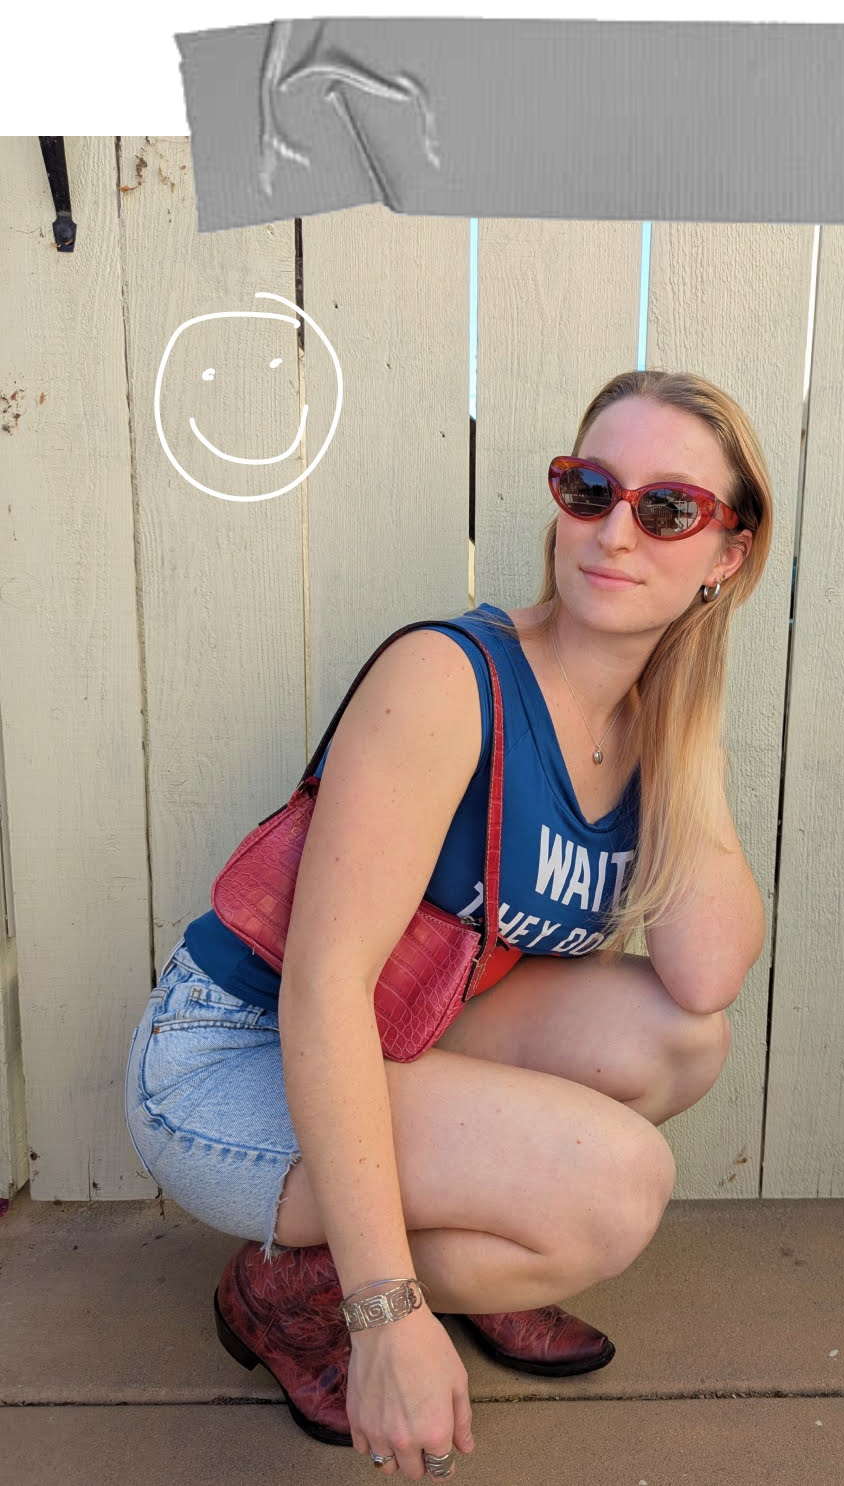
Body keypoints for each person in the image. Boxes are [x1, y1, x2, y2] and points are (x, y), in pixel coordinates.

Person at [124, 369, 771, 1481]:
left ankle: (355, 1264)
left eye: (668, 510)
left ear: (728, 556)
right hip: (231, 1052)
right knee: (612, 1192)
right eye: (590, 489)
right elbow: (321, 990)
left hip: (400, 1034)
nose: (617, 530)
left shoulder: (644, 716)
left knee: (679, 1037)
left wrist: (680, 714)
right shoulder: (448, 677)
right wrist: (385, 1312)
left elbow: (704, 972)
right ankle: (305, 1296)